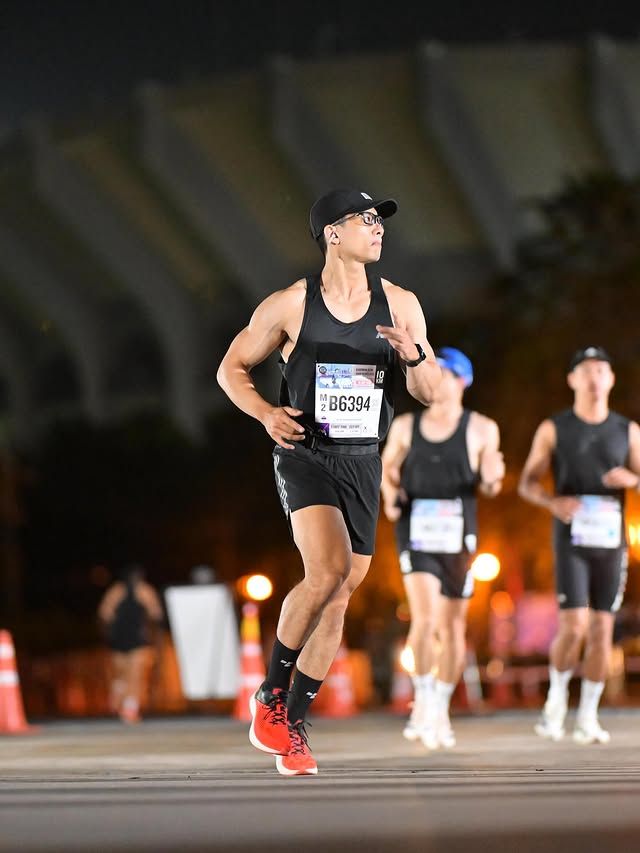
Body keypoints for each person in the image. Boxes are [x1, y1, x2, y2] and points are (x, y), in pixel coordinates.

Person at [216, 188, 442, 775]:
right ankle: (269, 696)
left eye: (380, 220)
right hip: (307, 454)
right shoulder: (292, 304)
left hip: (363, 459)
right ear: (332, 233)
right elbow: (230, 368)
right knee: (327, 571)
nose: (378, 227)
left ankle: (290, 725)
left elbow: (430, 392)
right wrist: (266, 413)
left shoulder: (401, 304)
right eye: (365, 219)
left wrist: (414, 356)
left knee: (340, 595)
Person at [381, 346, 504, 749]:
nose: (437, 381)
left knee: (453, 627)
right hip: (417, 532)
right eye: (433, 373)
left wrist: (492, 477)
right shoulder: (406, 426)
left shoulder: (481, 428)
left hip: (458, 534)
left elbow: (490, 483)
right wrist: (390, 494)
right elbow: (386, 468)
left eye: (446, 374)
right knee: (425, 618)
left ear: (463, 381)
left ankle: (441, 707)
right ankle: (424, 700)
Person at [518, 346, 640, 744]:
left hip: (611, 540)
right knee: (574, 627)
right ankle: (555, 701)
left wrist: (633, 480)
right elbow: (527, 483)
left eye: (601, 370)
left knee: (603, 629)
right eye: (586, 370)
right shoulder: (554, 428)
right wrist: (552, 502)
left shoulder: (627, 430)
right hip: (571, 536)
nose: (594, 377)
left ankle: (588, 716)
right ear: (572, 379)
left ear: (611, 379)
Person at [97, 563, 164, 723]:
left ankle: (128, 705)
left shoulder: (117, 591)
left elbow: (105, 614)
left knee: (133, 674)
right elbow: (156, 614)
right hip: (131, 639)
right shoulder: (143, 591)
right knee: (128, 674)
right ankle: (124, 699)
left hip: (125, 641)